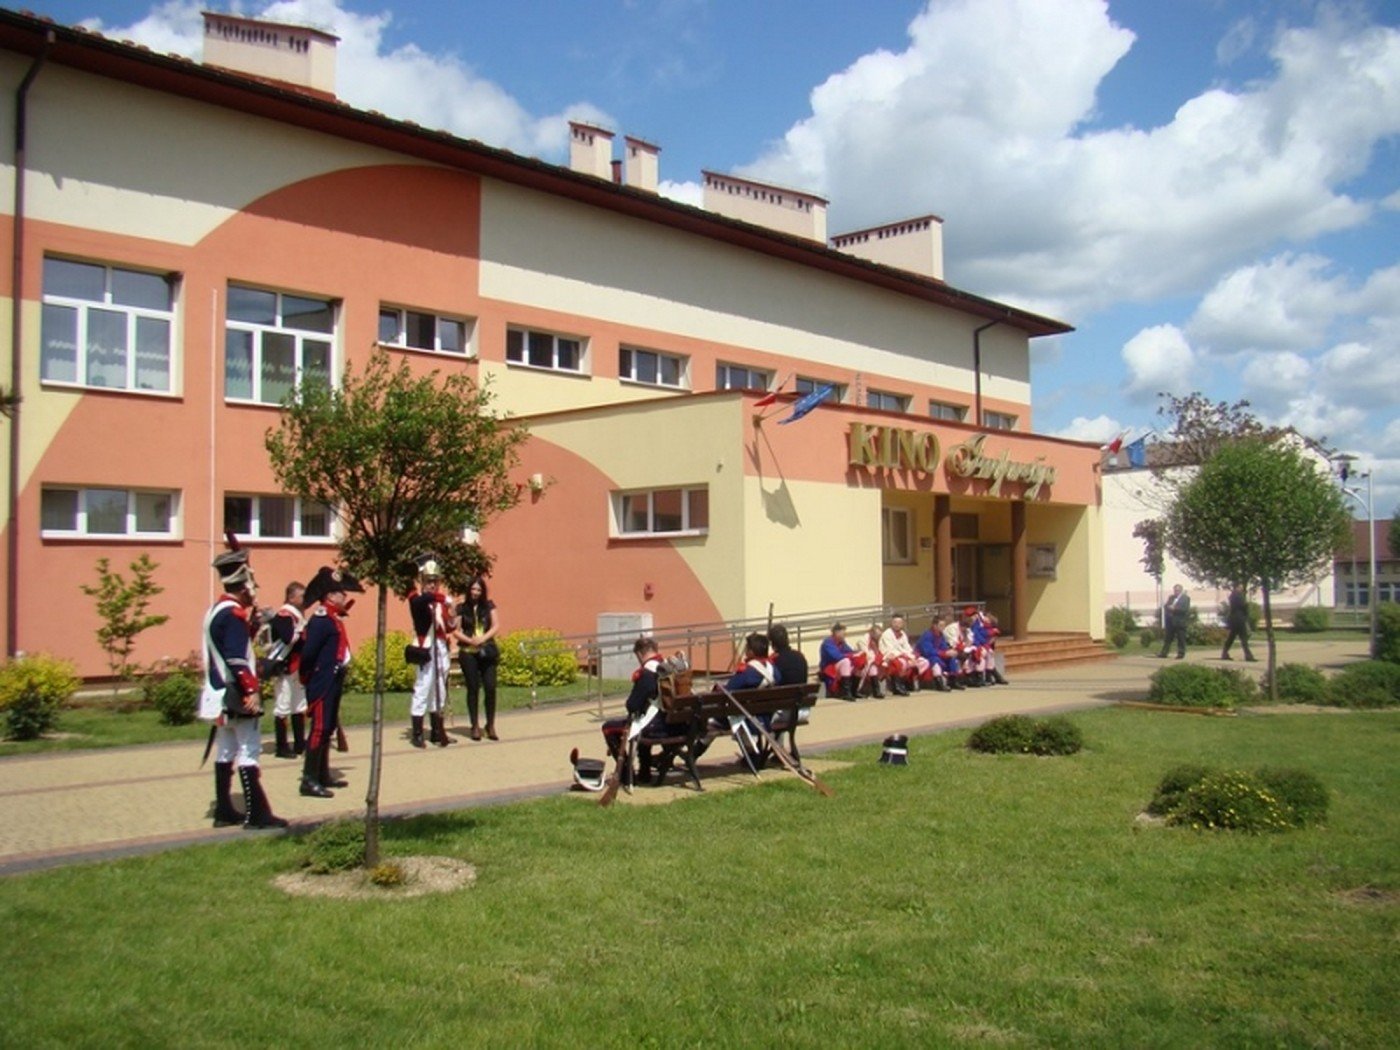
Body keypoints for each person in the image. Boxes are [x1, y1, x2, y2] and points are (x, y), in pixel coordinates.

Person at [203, 548, 286, 829]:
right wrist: (250, 690)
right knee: (249, 750)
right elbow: (237, 658)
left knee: (226, 750)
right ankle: (257, 814)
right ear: (243, 586)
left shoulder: (217, 611)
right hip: (236, 692)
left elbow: (232, 645)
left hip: (219, 690)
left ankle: (224, 809)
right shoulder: (233, 615)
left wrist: (252, 626)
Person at [299, 565, 363, 798]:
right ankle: (309, 779)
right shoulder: (321, 619)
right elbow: (308, 654)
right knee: (319, 728)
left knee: (328, 728)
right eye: (339, 592)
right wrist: (309, 678)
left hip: (334, 678)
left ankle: (322, 773)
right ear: (329, 596)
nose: (344, 596)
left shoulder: (333, 618)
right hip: (323, 680)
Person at [408, 558, 457, 748]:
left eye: (435, 581)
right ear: (422, 582)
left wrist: (452, 615)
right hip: (426, 647)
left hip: (441, 647)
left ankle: (437, 731)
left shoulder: (440, 603)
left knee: (440, 689)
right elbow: (421, 601)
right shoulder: (418, 599)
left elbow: (448, 627)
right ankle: (418, 733)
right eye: (429, 581)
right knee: (423, 687)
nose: (432, 584)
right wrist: (441, 598)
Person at [455, 575, 500, 741]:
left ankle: (490, 724)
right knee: (473, 688)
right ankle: (474, 725)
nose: (475, 592)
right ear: (469, 590)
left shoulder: (489, 606)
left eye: (478, 590)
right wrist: (470, 640)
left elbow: (496, 625)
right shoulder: (461, 608)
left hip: (486, 650)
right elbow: (455, 630)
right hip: (468, 652)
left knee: (490, 687)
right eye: (473, 589)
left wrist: (483, 639)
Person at [268, 581, 307, 760]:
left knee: (299, 704)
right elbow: (288, 638)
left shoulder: (297, 616)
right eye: (301, 596)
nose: (304, 599)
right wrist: (301, 629)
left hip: (297, 666)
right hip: (284, 666)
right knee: (283, 705)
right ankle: (282, 746)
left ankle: (300, 743)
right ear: (291, 598)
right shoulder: (283, 616)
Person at [880, 613, 931, 695]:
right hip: (890, 656)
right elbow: (890, 649)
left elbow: (907, 648)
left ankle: (910, 682)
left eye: (899, 623)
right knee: (902, 663)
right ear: (891, 623)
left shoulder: (903, 634)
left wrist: (912, 657)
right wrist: (906, 657)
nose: (897, 625)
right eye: (895, 622)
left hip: (904, 655)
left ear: (902, 624)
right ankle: (897, 686)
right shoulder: (887, 634)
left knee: (924, 662)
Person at [818, 622, 866, 700]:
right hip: (829, 667)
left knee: (858, 662)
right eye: (843, 633)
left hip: (839, 665)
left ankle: (854, 691)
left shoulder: (842, 643)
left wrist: (857, 654)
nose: (845, 635)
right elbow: (836, 656)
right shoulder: (827, 643)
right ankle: (846, 693)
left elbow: (850, 652)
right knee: (846, 661)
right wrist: (851, 656)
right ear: (836, 633)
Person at [915, 618, 953, 691]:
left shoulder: (941, 635)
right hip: (925, 656)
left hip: (936, 654)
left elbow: (944, 647)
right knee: (935, 660)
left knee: (951, 658)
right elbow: (927, 651)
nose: (943, 627)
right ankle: (939, 682)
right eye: (941, 625)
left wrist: (948, 652)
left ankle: (953, 680)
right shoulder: (927, 635)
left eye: (944, 625)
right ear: (935, 626)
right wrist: (942, 653)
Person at [1221, 585, 1256, 662]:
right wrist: (1246, 612)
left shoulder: (1232, 596)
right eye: (1240, 587)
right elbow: (1244, 607)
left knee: (1231, 638)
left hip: (1233, 619)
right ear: (1237, 587)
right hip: (1240, 619)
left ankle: (1224, 653)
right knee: (1243, 638)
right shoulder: (1239, 596)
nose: (1241, 588)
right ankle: (1248, 655)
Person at [1157, 583, 1191, 659]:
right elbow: (1166, 606)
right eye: (1175, 590)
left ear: (1181, 590)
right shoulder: (1171, 597)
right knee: (1168, 638)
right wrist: (1168, 607)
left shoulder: (1185, 598)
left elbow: (1185, 609)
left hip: (1180, 621)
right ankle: (1164, 653)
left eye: (1177, 590)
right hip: (1170, 621)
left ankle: (1181, 653)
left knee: (1181, 639)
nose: (1176, 592)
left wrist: (1174, 609)